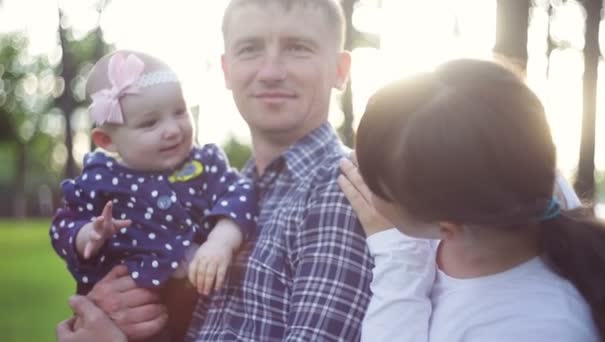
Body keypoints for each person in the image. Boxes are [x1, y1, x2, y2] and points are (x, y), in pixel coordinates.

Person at [56, 1, 373, 341]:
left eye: (298, 48)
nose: (270, 71)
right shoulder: (225, 188)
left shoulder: (343, 189)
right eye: (250, 49)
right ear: (226, 70)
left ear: (340, 70)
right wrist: (118, 305)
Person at [337, 58, 605, 341]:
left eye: (376, 187)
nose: (362, 181)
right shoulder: (508, 183)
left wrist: (397, 254)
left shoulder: (537, 328)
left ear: (447, 228)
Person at [50, 50, 257, 340]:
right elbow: (62, 225)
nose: (172, 129)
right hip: (130, 318)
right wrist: (88, 234)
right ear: (107, 140)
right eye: (150, 123)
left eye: (180, 111)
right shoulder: (99, 180)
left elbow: (241, 192)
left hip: (197, 311)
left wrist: (221, 241)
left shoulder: (204, 164)